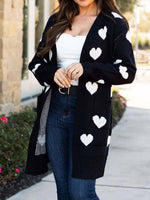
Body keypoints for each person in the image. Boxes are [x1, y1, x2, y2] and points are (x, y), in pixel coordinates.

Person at [25, 0, 137, 199]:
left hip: (90, 112)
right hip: (56, 110)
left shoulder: (114, 23)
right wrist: (53, 73)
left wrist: (87, 68)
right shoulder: (56, 20)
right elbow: (36, 63)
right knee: (64, 190)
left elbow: (127, 71)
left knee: (81, 192)